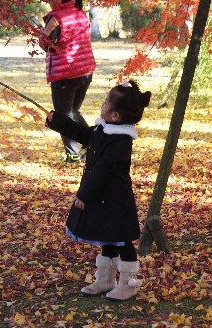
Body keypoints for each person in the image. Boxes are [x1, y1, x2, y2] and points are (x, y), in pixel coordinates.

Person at [46, 80, 151, 301]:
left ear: (115, 116)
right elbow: (83, 134)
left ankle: (128, 284)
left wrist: (84, 194)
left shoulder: (120, 142)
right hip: (103, 198)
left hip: (115, 200)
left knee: (122, 240)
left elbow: (103, 170)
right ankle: (105, 280)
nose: (102, 104)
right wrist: (58, 121)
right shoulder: (105, 130)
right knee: (108, 237)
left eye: (105, 102)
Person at [40, 0, 96, 163]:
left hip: (65, 73)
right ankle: (94, 142)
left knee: (63, 115)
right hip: (85, 71)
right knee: (73, 111)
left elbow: (45, 43)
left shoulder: (56, 18)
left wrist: (43, 35)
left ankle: (73, 154)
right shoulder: (81, 13)